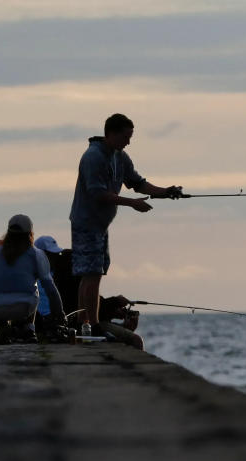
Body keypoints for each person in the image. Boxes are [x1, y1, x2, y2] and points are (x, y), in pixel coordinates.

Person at [69, 113, 183, 334]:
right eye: (125, 137)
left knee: (94, 273)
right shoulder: (93, 157)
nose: (128, 142)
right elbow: (97, 194)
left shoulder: (120, 157)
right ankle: (90, 325)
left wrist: (166, 192)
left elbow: (138, 184)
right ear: (110, 134)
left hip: (101, 225)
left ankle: (85, 324)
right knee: (91, 274)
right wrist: (132, 204)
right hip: (86, 222)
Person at [34, 234, 143, 347]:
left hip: (71, 324)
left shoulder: (54, 273)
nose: (54, 258)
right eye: (50, 255)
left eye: (56, 254)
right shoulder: (62, 273)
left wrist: (113, 312)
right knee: (136, 340)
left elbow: (84, 302)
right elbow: (83, 304)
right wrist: (115, 302)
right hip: (71, 326)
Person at [0, 214, 64, 341]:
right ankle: (29, 328)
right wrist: (59, 315)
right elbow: (51, 290)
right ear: (30, 233)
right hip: (23, 307)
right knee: (36, 287)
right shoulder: (35, 254)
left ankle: (1, 328)